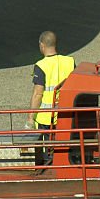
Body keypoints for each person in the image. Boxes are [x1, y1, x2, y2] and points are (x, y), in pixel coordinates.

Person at [28, 32, 75, 165]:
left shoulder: (41, 66)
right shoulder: (69, 61)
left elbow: (38, 93)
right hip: (65, 114)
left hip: (46, 118)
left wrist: (30, 117)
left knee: (48, 150)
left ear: (42, 46)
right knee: (64, 145)